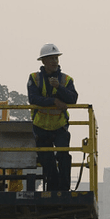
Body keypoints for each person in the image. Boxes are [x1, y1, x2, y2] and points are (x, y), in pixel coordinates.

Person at [27, 43, 78, 191]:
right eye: (51, 58)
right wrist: (54, 101)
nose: (55, 61)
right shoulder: (34, 78)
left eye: (56, 58)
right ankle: (53, 187)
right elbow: (33, 99)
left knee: (64, 157)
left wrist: (59, 88)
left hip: (60, 126)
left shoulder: (66, 80)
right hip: (41, 126)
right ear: (43, 61)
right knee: (46, 158)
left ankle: (64, 189)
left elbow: (73, 99)